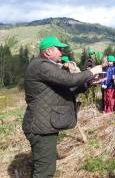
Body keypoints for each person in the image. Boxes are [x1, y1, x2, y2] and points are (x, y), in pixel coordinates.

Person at [22, 36, 102, 178]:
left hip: (43, 125)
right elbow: (70, 80)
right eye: (58, 49)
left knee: (43, 168)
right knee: (44, 173)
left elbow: (65, 89)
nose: (61, 53)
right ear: (47, 52)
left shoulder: (44, 66)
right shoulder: (42, 66)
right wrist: (92, 71)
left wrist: (88, 83)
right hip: (41, 128)